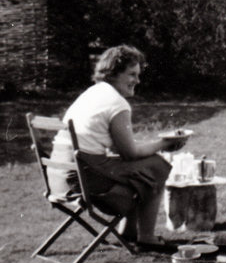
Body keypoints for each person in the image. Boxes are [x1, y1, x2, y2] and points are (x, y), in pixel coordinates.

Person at [49, 45, 186, 252]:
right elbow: (130, 153)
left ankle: (128, 232)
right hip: (82, 176)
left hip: (59, 175)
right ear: (113, 73)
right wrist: (164, 144)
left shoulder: (92, 93)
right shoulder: (116, 103)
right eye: (131, 74)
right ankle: (146, 238)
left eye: (138, 75)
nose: (137, 81)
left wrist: (157, 145)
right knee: (157, 166)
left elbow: (120, 148)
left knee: (142, 168)